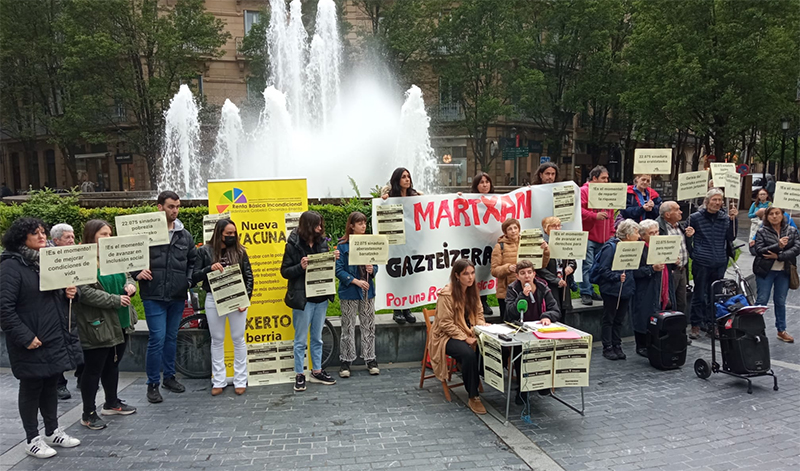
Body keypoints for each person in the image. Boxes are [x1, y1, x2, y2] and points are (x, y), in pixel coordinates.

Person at [0, 218, 82, 458]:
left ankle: (52, 431)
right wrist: (25, 337)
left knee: (50, 384)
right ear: (20, 237)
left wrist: (71, 294)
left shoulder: (47, 261)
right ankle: (31, 438)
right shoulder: (10, 267)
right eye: (34, 233)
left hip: (53, 336)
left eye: (43, 232)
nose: (41, 236)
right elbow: (4, 308)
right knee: (31, 387)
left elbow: (56, 297)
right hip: (31, 340)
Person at [134, 190, 197, 403]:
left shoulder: (184, 235)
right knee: (157, 338)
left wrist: (188, 281)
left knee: (171, 338)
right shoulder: (144, 232)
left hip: (177, 295)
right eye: (171, 206)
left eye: (178, 207)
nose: (175, 211)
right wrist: (136, 273)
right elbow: (129, 256)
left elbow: (192, 261)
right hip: (153, 294)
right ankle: (152, 383)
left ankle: (169, 377)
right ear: (159, 206)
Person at [75, 220, 137, 430]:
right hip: (97, 324)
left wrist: (130, 285)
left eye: (110, 234)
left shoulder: (114, 255)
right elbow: (85, 292)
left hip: (120, 319)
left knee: (113, 363)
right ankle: (88, 412)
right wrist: (114, 300)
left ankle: (111, 402)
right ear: (91, 236)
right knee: (93, 369)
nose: (108, 238)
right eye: (103, 234)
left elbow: (128, 275)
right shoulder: (83, 260)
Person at [193, 218, 253, 396]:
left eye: (234, 233)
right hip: (214, 298)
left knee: (238, 338)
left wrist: (245, 298)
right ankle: (218, 380)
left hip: (237, 299)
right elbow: (195, 275)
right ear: (219, 233)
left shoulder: (240, 251)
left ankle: (240, 379)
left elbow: (249, 276)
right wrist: (209, 268)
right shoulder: (204, 251)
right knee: (217, 340)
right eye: (228, 234)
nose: (231, 236)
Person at [282, 210, 340, 392]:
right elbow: (285, 272)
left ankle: (316, 371)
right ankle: (299, 374)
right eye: (317, 225)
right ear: (307, 226)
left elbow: (325, 268)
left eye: (321, 225)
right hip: (303, 299)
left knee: (317, 337)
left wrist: (333, 259)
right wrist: (300, 266)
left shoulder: (322, 242)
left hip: (321, 297)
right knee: (300, 339)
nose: (320, 228)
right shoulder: (292, 245)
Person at [428, 259, 490, 414]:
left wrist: (481, 325)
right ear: (457, 275)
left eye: (472, 273)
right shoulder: (447, 294)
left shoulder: (472, 290)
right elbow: (444, 323)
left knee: (491, 345)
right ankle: (473, 396)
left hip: (469, 330)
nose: (470, 277)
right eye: (465, 274)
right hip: (445, 336)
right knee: (468, 353)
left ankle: (482, 375)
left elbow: (479, 314)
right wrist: (464, 337)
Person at [504, 259, 560, 403]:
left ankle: (542, 382)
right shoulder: (513, 289)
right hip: (520, 329)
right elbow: (510, 313)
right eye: (522, 273)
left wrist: (547, 316)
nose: (526, 276)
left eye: (529, 272)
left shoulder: (543, 288)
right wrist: (522, 295)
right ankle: (523, 389)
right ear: (517, 276)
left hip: (538, 329)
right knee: (519, 351)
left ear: (534, 274)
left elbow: (555, 309)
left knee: (545, 348)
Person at [686, 188, 738, 339]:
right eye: (714, 200)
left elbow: (731, 237)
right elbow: (687, 236)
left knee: (715, 296)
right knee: (699, 294)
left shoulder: (725, 218)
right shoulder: (695, 217)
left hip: (720, 261)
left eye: (720, 200)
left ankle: (712, 324)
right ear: (707, 201)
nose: (717, 203)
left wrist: (734, 220)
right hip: (702, 261)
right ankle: (696, 324)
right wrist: (693, 252)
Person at [335, 211, 380, 378]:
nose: (363, 226)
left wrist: (372, 269)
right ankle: (346, 360)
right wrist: (354, 281)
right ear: (351, 226)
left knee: (368, 325)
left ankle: (370, 358)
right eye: (360, 223)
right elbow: (338, 270)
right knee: (347, 326)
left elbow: (376, 265)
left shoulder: (369, 242)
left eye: (365, 223)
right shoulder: (342, 245)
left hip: (367, 290)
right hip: (350, 291)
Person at [592, 219, 639, 360]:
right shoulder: (610, 247)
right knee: (609, 318)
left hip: (626, 289)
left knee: (619, 319)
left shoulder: (632, 247)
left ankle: (617, 345)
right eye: (636, 232)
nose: (638, 236)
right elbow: (603, 270)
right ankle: (607, 346)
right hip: (611, 289)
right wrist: (617, 277)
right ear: (628, 235)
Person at [381, 167, 422, 325]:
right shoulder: (390, 197)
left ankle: (407, 308)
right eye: (403, 177)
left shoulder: (415, 196)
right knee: (398, 275)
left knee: (409, 275)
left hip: (412, 241)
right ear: (397, 179)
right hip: (396, 243)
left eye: (408, 177)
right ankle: (397, 310)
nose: (407, 179)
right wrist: (384, 199)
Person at [754, 206, 799, 343]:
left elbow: (797, 248)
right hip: (765, 271)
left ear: (782, 215)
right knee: (761, 300)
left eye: (777, 213)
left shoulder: (791, 230)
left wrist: (779, 256)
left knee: (780, 301)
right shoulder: (762, 231)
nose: (774, 216)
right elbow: (759, 249)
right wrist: (777, 245)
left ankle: (781, 330)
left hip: (783, 272)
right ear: (767, 217)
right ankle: (755, 330)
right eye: (771, 214)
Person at [49, 223, 78, 400]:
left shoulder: (76, 253)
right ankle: (59, 384)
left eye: (73, 236)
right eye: (68, 238)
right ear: (56, 240)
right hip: (56, 309)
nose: (72, 240)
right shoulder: (48, 257)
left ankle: (82, 376)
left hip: (76, 306)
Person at [631, 220, 667, 357]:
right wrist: (651, 269)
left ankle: (655, 343)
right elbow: (634, 272)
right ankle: (641, 345)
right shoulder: (639, 249)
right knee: (643, 315)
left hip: (661, 286)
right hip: (644, 289)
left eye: (657, 232)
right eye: (651, 233)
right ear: (643, 235)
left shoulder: (662, 246)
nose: (655, 235)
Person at [461, 172, 495, 315]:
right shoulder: (469, 201)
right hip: (473, 243)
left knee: (485, 272)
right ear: (476, 185)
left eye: (487, 182)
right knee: (472, 273)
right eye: (481, 182)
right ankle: (470, 303)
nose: (485, 185)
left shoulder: (498, 200)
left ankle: (483, 301)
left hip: (489, 242)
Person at [580, 166, 614, 306]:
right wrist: (594, 216)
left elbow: (610, 214)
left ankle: (593, 289)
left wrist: (612, 232)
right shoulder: (584, 191)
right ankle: (586, 292)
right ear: (594, 178)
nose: (606, 181)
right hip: (588, 235)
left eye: (607, 178)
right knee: (587, 264)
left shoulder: (608, 192)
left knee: (600, 266)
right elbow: (578, 210)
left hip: (605, 236)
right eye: (603, 178)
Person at [656, 201, 694, 317]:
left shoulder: (679, 226)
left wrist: (689, 237)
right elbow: (657, 251)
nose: (681, 212)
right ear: (667, 214)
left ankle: (679, 330)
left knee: (681, 302)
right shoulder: (658, 228)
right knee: (668, 302)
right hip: (669, 271)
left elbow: (685, 246)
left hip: (682, 270)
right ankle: (667, 329)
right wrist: (669, 261)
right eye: (677, 209)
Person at [539, 217, 576, 315]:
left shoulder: (563, 240)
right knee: (553, 311)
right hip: (549, 284)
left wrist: (571, 267)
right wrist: (555, 280)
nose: (557, 228)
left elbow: (571, 259)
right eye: (554, 226)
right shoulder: (541, 244)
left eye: (559, 226)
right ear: (546, 228)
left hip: (564, 282)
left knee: (563, 312)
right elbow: (539, 268)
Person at [491, 219, 521, 320]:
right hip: (506, 292)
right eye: (510, 229)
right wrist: (508, 268)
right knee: (507, 322)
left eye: (515, 228)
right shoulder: (500, 246)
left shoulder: (526, 243)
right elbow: (494, 270)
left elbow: (540, 264)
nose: (513, 231)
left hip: (524, 290)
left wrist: (546, 250)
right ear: (505, 232)